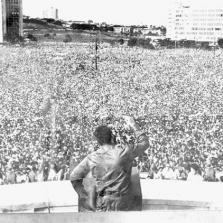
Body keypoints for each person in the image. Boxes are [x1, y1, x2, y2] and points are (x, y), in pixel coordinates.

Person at [70, 116, 150, 211]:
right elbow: (145, 143)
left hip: (103, 203)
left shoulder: (91, 158)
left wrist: (84, 195)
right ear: (112, 137)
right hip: (124, 203)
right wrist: (133, 125)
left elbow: (74, 177)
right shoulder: (124, 152)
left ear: (97, 141)